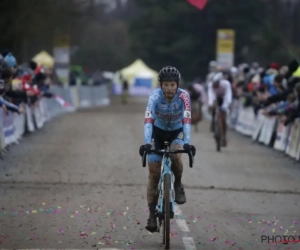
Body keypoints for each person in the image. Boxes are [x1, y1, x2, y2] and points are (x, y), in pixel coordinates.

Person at [139, 66, 194, 233]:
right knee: (154, 175)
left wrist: (187, 143)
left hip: (176, 133)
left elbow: (186, 120)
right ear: (161, 85)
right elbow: (148, 120)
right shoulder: (154, 96)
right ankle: (151, 215)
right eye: (166, 85)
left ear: (177, 85)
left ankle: (177, 184)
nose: (169, 88)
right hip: (158, 133)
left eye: (172, 85)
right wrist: (147, 142)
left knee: (176, 156)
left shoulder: (184, 96)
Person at [208, 72, 232, 146]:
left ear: (219, 82)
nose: (214, 86)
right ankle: (213, 122)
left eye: (216, 84)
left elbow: (228, 95)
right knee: (213, 108)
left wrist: (226, 105)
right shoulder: (211, 85)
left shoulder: (226, 84)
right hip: (216, 97)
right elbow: (211, 95)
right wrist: (211, 103)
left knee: (224, 117)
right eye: (214, 84)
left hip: (224, 97)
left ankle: (224, 136)